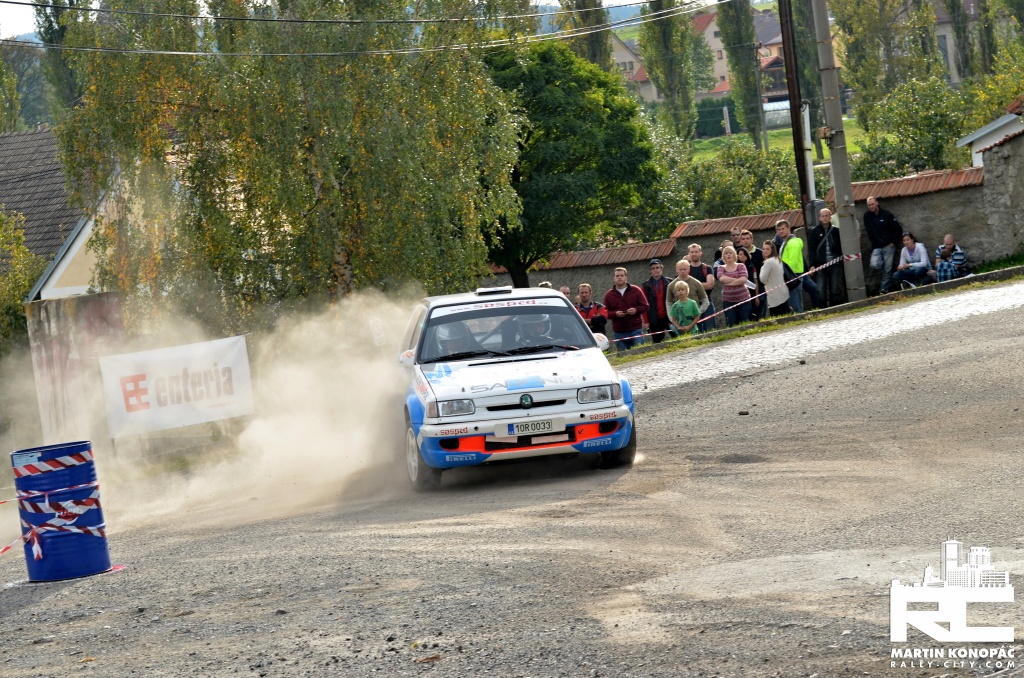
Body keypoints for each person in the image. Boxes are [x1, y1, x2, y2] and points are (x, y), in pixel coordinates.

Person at [776, 219, 820, 313]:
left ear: (789, 228)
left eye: (783, 229)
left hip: (794, 275)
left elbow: (793, 261)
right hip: (795, 274)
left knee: (796, 302)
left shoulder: (792, 242)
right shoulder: (785, 242)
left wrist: (788, 275)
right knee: (813, 290)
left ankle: (806, 313)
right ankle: (817, 309)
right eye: (779, 229)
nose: (781, 231)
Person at [603, 267, 649, 352]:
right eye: (617, 276)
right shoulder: (609, 295)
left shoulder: (636, 290)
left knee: (639, 354)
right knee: (623, 356)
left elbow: (645, 306)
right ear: (614, 278)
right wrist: (615, 314)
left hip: (635, 329)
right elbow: (605, 313)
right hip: (619, 332)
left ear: (626, 277)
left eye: (622, 275)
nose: (619, 277)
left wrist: (635, 310)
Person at [863, 196, 902, 294]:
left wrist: (893, 242)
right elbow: (869, 231)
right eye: (869, 205)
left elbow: (897, 229)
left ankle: (883, 290)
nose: (871, 206)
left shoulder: (887, 215)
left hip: (888, 245)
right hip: (877, 247)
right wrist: (874, 242)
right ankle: (888, 277)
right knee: (874, 265)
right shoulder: (867, 216)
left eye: (872, 204)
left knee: (887, 269)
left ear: (877, 203)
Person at [807, 208, 845, 307]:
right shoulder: (815, 231)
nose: (825, 218)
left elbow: (840, 246)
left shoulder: (836, 230)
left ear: (830, 217)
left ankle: (835, 308)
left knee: (835, 288)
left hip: (834, 264)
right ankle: (823, 309)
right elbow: (811, 249)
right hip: (820, 265)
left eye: (826, 216)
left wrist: (840, 260)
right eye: (822, 216)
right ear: (819, 218)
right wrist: (812, 265)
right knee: (821, 290)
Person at [716, 246, 752, 327]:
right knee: (731, 323)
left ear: (735, 255)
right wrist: (737, 280)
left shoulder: (741, 266)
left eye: (730, 253)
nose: (728, 255)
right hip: (728, 301)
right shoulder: (721, 267)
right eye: (726, 253)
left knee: (744, 322)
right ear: (723, 256)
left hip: (743, 299)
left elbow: (743, 279)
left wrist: (729, 283)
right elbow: (722, 278)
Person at [642, 259, 674, 344]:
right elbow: (644, 305)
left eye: (657, 267)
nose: (655, 270)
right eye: (653, 268)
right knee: (657, 343)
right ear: (650, 271)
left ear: (661, 268)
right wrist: (646, 321)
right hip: (654, 319)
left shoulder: (670, 282)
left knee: (677, 337)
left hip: (670, 317)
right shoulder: (646, 286)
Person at [686, 244, 717, 332]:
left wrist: (692, 285)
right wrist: (703, 285)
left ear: (700, 253)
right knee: (697, 332)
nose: (694, 254)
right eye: (692, 252)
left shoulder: (707, 268)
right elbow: (684, 287)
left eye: (696, 252)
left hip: (707, 303)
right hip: (692, 305)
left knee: (711, 330)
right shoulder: (686, 270)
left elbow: (710, 285)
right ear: (689, 254)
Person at [759, 240, 791, 316]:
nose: (765, 251)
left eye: (767, 249)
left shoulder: (768, 262)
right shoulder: (778, 259)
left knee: (777, 317)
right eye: (763, 249)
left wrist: (762, 268)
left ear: (772, 250)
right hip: (783, 292)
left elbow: (762, 279)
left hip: (775, 295)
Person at [735, 246, 760, 319]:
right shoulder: (735, 267)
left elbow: (755, 281)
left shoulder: (752, 267)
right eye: (740, 254)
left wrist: (757, 296)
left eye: (744, 254)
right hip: (739, 294)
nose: (743, 256)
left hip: (751, 293)